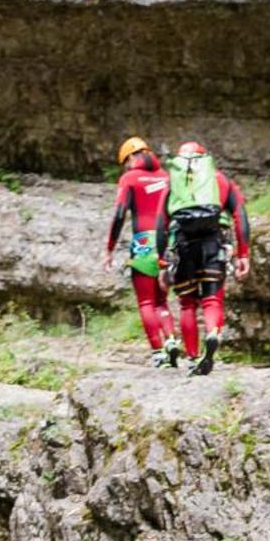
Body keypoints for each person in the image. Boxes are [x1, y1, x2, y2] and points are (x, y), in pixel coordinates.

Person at [159, 140, 252, 376]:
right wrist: (243, 254)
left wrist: (162, 261)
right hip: (214, 241)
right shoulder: (220, 180)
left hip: (183, 245)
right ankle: (212, 333)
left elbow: (161, 224)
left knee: (187, 303)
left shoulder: (173, 183)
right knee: (212, 300)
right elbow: (240, 216)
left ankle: (191, 357)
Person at [104, 135, 181, 369]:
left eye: (126, 161)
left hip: (144, 244)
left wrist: (109, 248)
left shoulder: (130, 179)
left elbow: (119, 214)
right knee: (162, 302)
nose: (126, 166)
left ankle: (158, 353)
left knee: (146, 302)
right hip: (166, 244)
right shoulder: (166, 178)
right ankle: (171, 340)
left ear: (131, 157)